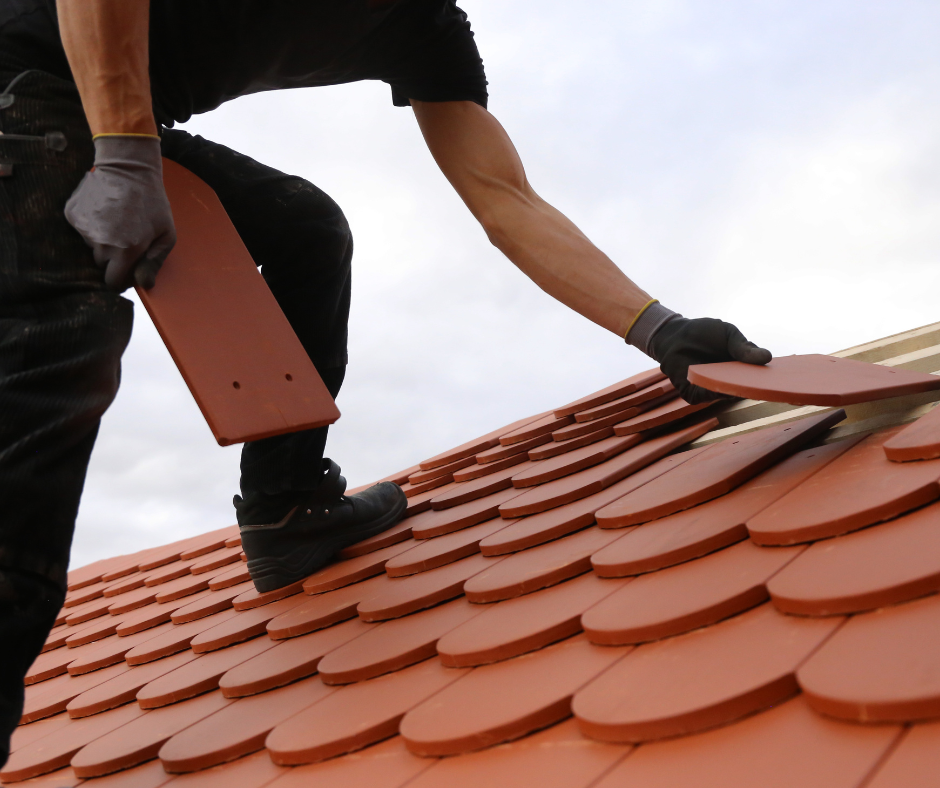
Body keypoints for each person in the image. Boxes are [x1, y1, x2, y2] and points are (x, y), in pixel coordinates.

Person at [0, 0, 771, 765]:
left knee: (306, 229)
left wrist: (659, 327)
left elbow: (506, 199)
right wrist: (127, 152)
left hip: (101, 110)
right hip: (27, 91)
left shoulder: (427, 30)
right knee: (41, 435)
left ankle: (286, 507)